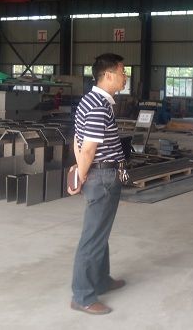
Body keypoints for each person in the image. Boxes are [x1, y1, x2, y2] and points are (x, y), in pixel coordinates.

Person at [68, 53, 129, 315]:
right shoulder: (98, 106)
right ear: (108, 75)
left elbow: (77, 138)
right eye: (122, 72)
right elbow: (88, 148)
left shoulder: (91, 100)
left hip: (102, 174)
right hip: (102, 177)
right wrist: (80, 176)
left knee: (100, 233)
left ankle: (101, 279)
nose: (125, 77)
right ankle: (82, 296)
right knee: (92, 238)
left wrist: (79, 169)